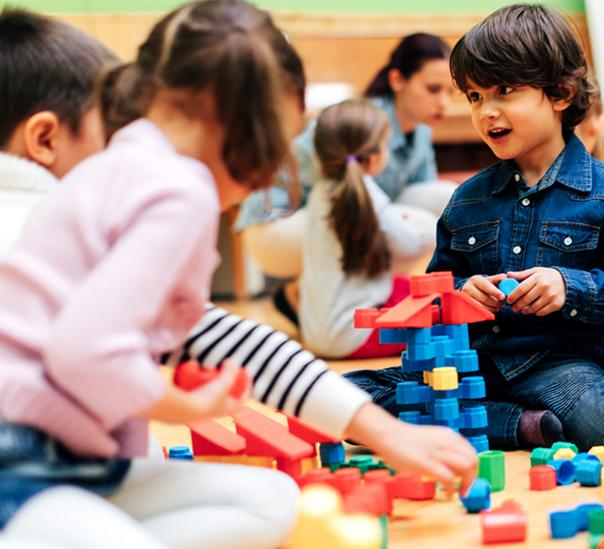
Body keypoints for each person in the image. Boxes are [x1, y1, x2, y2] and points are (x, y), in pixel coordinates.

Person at [0, 5, 476, 547]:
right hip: (19, 461)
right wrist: (179, 406)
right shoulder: (180, 190)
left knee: (272, 499)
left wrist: (380, 429)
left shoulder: (123, 169)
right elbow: (84, 354)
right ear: (250, 134)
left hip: (70, 463)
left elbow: (218, 337)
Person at [346, 4, 604, 451]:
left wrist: (571, 286)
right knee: (346, 399)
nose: (486, 111)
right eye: (474, 97)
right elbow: (437, 287)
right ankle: (522, 425)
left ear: (562, 94)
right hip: (472, 365)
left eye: (504, 90)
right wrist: (462, 292)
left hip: (559, 367)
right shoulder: (467, 199)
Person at [235, 33, 454, 325]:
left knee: (444, 199)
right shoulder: (360, 121)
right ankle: (332, 298)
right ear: (398, 80)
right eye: (433, 89)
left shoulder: (421, 134)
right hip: (277, 227)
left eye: (451, 92)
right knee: (416, 227)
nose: (444, 102)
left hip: (326, 220)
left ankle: (326, 296)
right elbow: (331, 192)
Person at [298, 99, 433, 357]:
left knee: (402, 286)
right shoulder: (368, 194)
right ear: (372, 159)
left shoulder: (320, 193)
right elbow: (411, 244)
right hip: (355, 336)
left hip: (316, 335)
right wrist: (425, 227)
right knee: (434, 298)